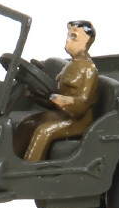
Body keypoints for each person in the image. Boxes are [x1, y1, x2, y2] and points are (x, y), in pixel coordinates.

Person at [15, 20, 99, 162]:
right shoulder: (71, 65)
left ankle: (31, 167)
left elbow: (82, 105)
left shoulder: (89, 71)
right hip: (62, 113)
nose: (68, 40)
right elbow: (54, 95)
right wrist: (34, 96)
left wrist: (59, 99)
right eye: (68, 35)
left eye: (74, 37)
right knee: (28, 123)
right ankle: (15, 161)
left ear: (88, 42)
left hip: (78, 121)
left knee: (44, 132)